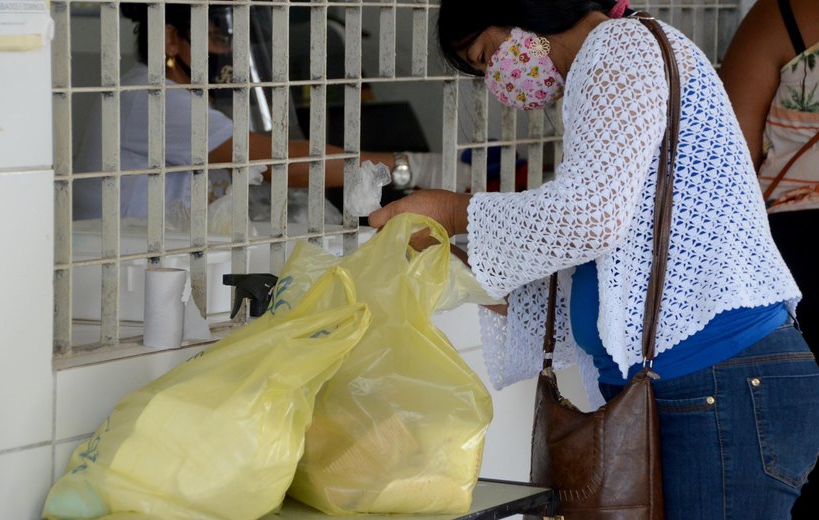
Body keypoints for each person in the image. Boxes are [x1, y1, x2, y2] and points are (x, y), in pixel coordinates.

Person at [368, 0, 819, 518]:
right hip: (709, 385)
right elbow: (611, 294)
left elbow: (588, 219)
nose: (497, 78)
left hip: (721, 384)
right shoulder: (616, 59)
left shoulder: (619, 48)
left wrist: (451, 211)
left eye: (489, 54)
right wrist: (455, 265)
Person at [72, 3, 400, 225]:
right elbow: (278, 162)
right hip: (130, 271)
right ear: (170, 38)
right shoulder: (148, 95)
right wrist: (403, 166)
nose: (227, 52)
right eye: (218, 39)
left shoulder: (194, 98)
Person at [719, 0, 819, 517]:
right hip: (789, 252)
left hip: (791, 252)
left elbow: (727, 159)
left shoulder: (784, 15)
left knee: (793, 444)